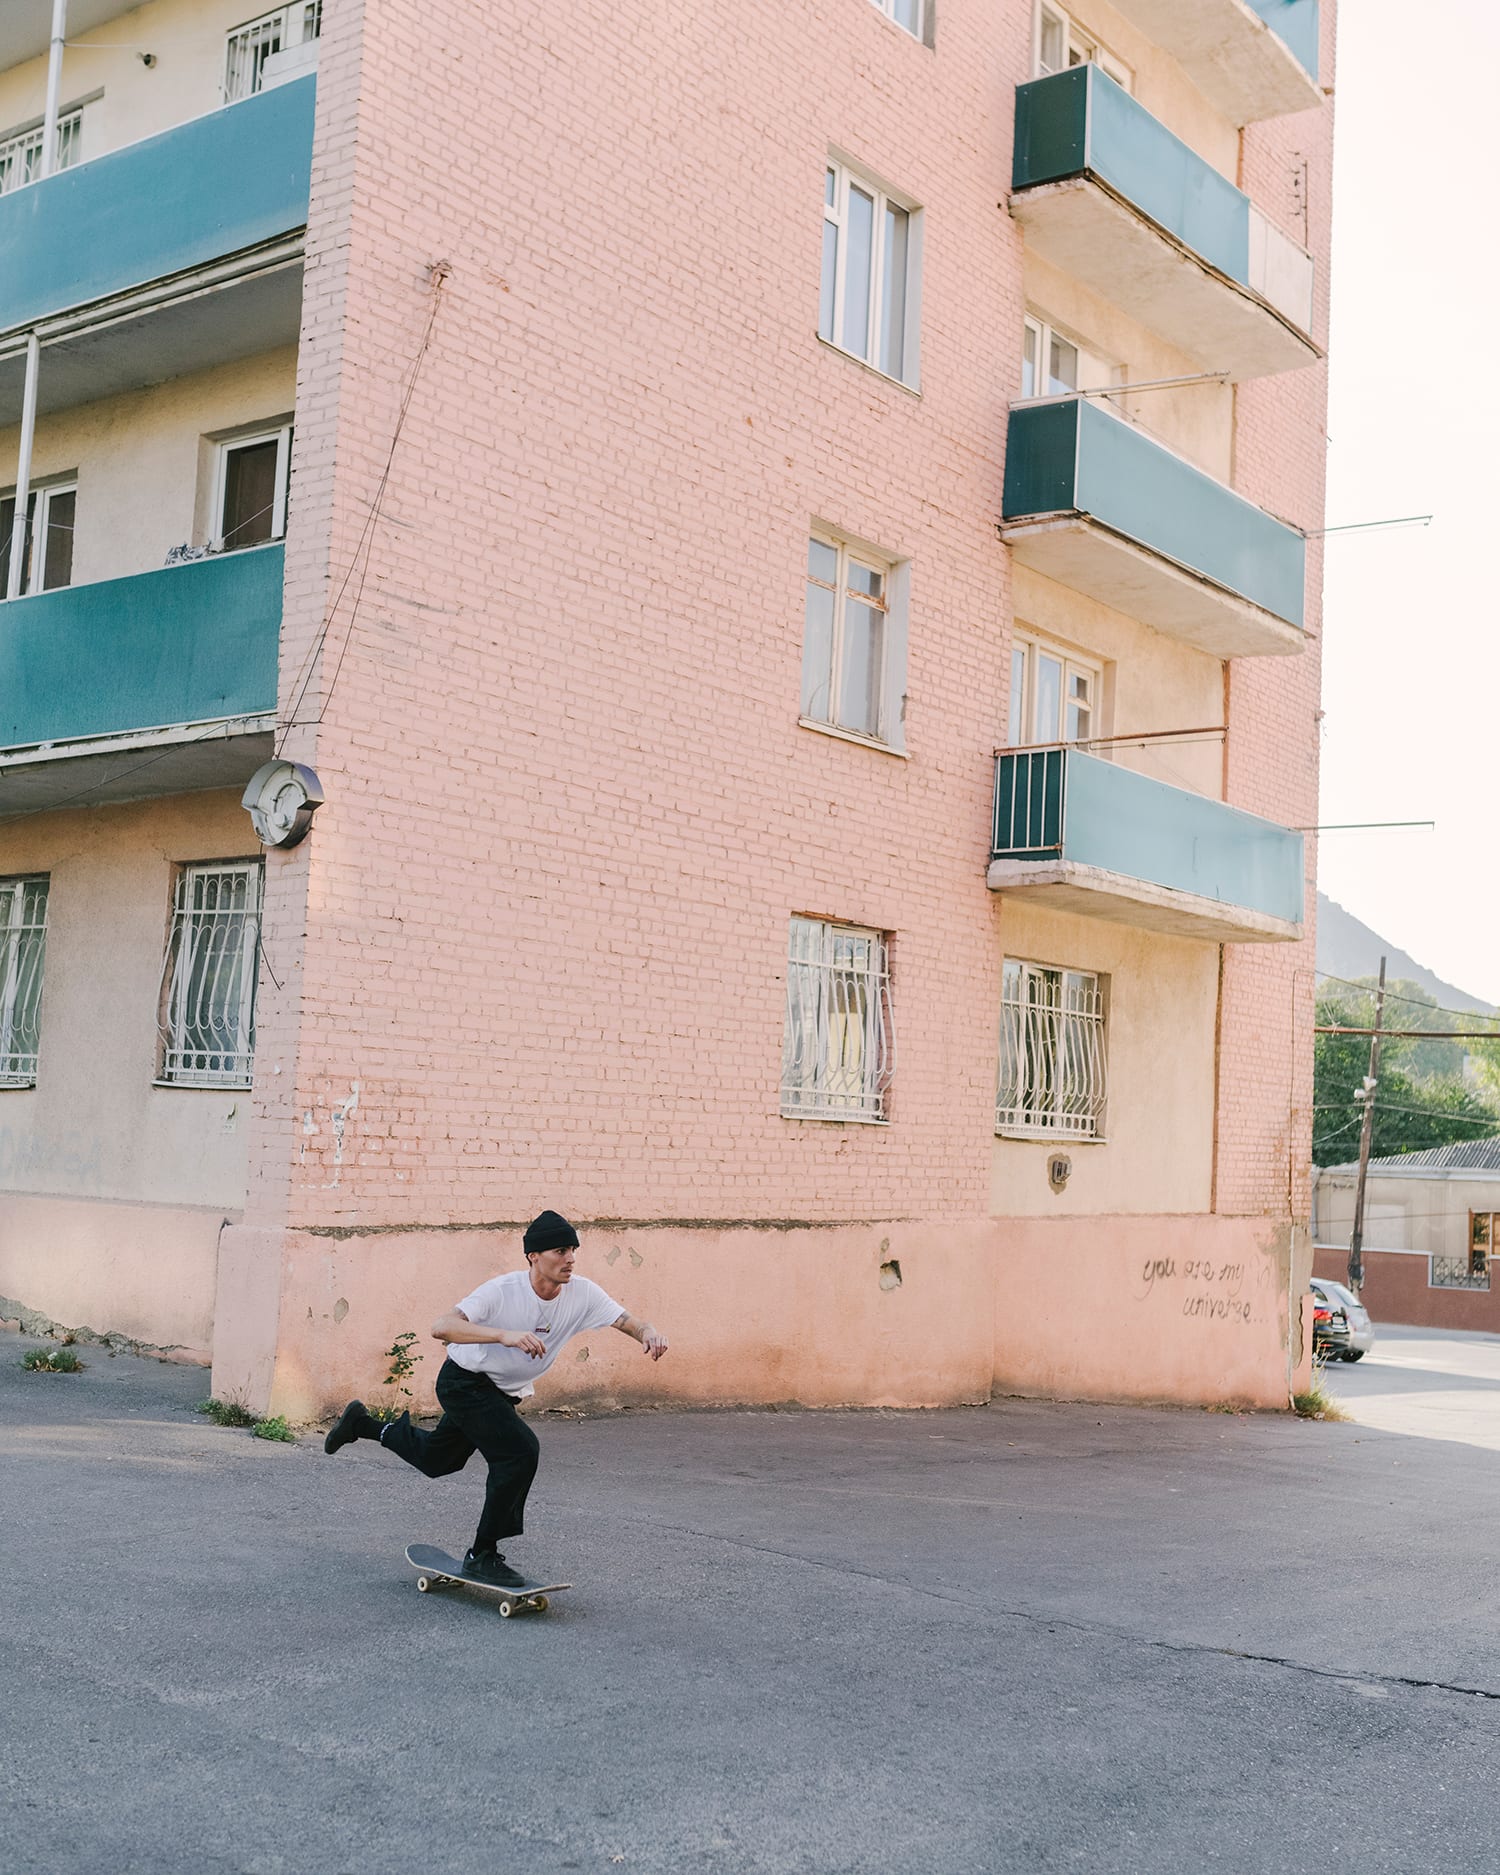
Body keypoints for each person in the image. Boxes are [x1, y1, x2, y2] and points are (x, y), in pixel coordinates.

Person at [323, 1209, 668, 1587]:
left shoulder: (582, 1292)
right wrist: (503, 1335)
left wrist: (647, 1331)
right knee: (519, 1451)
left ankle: (361, 1424)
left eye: (572, 1249)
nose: (569, 1258)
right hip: (464, 1383)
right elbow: (442, 1327)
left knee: (437, 1460)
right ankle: (482, 1554)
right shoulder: (502, 1291)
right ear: (533, 1256)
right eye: (559, 1250)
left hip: (500, 1393)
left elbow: (624, 1320)